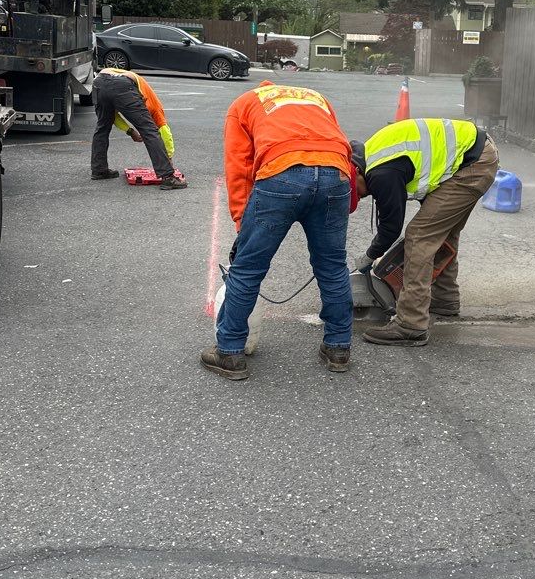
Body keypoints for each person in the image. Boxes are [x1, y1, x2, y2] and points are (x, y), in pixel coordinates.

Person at [200, 80, 355, 382]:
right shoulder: (315, 97)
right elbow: (337, 144)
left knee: (248, 268)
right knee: (333, 266)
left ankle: (229, 352)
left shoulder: (245, 102)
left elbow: (239, 165)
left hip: (281, 172)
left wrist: (242, 223)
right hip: (334, 173)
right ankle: (338, 348)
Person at [351, 117, 499, 346]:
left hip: (472, 163)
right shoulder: (372, 154)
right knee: (441, 232)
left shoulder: (381, 173)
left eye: (357, 193)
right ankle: (445, 299)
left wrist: (370, 255)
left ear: (357, 172)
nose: (361, 197)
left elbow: (391, 227)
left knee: (419, 236)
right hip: (475, 155)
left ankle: (411, 324)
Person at [91, 67, 186, 189]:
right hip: (122, 84)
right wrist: (169, 156)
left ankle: (99, 170)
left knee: (102, 127)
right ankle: (168, 177)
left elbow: (113, 117)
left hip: (99, 82)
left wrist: (130, 131)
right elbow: (164, 130)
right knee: (149, 130)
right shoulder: (155, 107)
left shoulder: (141, 91)